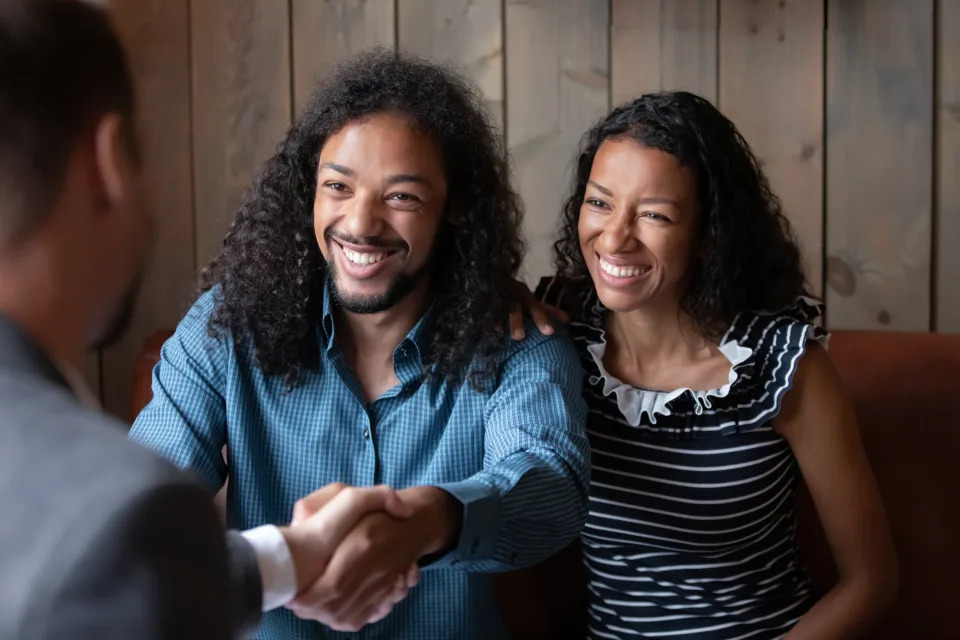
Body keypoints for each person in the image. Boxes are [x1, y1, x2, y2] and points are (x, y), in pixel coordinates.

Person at [129, 49, 590, 638]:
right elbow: (144, 498)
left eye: (402, 197)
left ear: (455, 208)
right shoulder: (227, 327)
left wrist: (427, 521)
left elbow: (551, 484)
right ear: (309, 193)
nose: (361, 223)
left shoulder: (518, 342)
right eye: (338, 186)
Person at [0, 2, 416, 638]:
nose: (361, 221)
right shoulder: (118, 511)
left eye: (402, 196)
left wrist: (282, 559)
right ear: (107, 166)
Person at [514, 92, 898, 639]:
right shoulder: (554, 331)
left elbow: (872, 582)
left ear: (708, 235)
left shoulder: (784, 364)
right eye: (600, 203)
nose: (615, 237)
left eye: (654, 215)